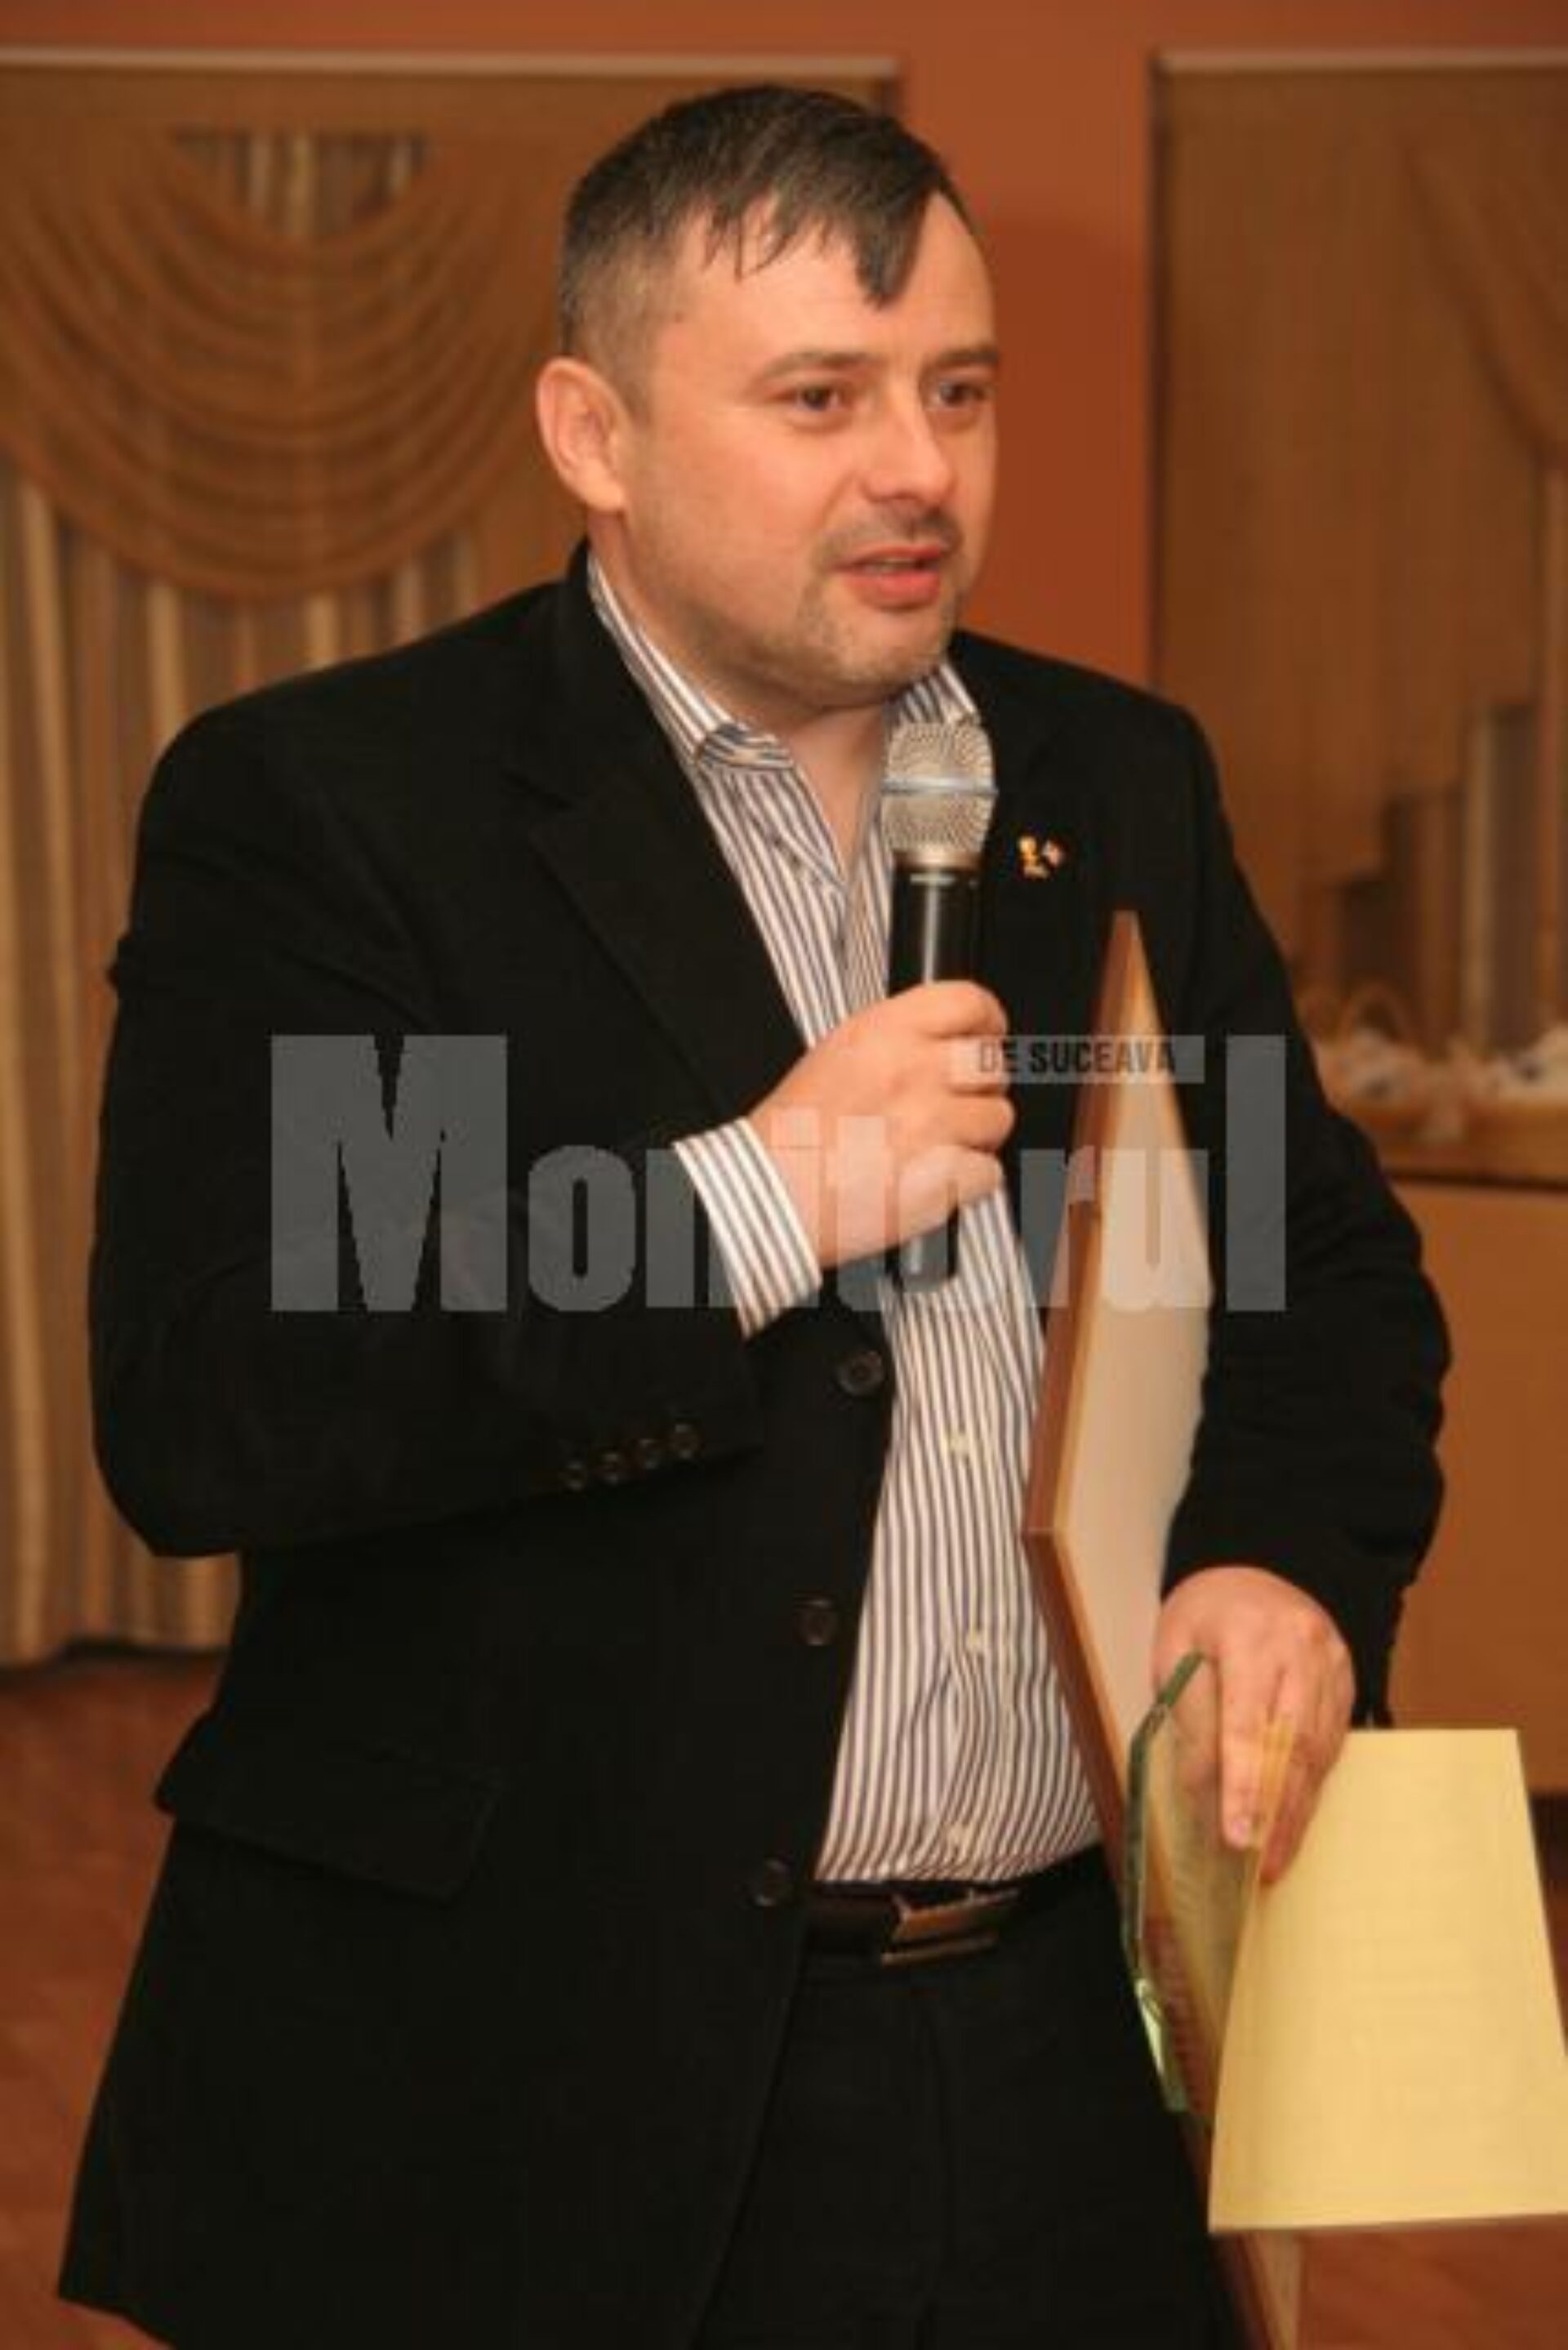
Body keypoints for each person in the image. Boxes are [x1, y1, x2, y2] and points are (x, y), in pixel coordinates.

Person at [59, 84, 1446, 2350]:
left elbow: (1326, 1277)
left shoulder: (1106, 782)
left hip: (1069, 2056)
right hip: (529, 2082)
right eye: (822, 398)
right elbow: (238, 1395)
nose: (920, 470)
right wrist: (754, 1202)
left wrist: (1280, 1556)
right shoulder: (352, 810)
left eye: (958, 392)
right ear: (592, 433)